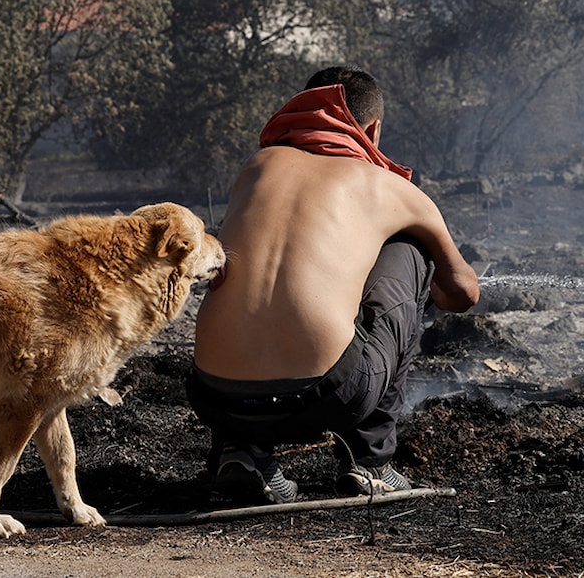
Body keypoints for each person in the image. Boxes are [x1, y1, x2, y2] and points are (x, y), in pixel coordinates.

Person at [186, 66, 480, 504]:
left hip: (215, 396)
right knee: (411, 250)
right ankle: (370, 461)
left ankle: (241, 452)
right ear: (373, 129)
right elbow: (464, 293)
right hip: (327, 396)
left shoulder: (255, 168)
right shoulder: (387, 187)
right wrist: (426, 292)